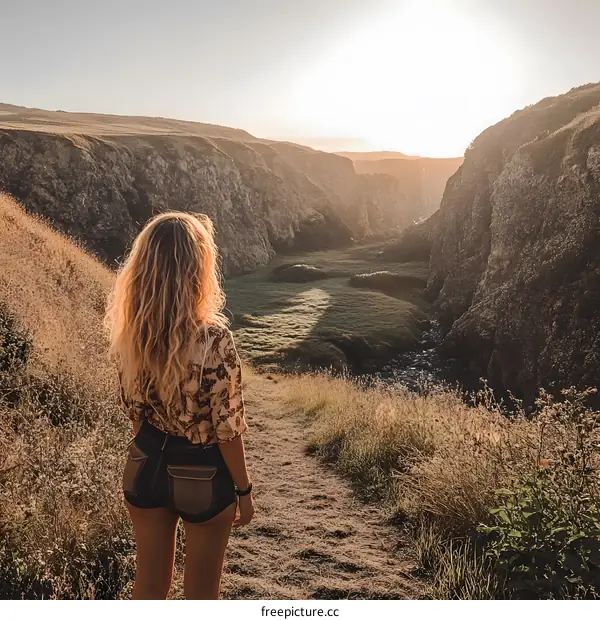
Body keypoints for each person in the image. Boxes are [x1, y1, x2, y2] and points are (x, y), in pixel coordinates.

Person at [104, 211, 254, 600]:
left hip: (144, 464)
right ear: (197, 268)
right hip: (202, 474)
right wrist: (244, 489)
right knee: (202, 596)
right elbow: (227, 429)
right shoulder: (214, 339)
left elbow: (134, 414)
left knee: (148, 587)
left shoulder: (130, 334)